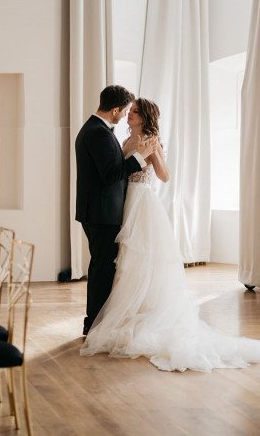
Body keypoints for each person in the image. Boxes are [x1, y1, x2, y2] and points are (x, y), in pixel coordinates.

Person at [80, 98, 260, 372]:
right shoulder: (126, 141)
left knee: (143, 261)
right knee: (124, 264)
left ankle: (146, 317)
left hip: (143, 204)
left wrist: (151, 154)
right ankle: (125, 316)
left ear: (145, 117)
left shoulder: (151, 140)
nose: (130, 114)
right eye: (129, 110)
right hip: (125, 205)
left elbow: (164, 176)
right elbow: (117, 172)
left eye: (135, 111)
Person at [75, 86, 157, 336]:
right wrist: (140, 157)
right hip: (102, 213)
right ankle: (96, 325)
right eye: (124, 111)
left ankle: (96, 322)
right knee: (103, 270)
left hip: (98, 211)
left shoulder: (94, 129)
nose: (124, 116)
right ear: (115, 110)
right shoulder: (99, 133)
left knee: (101, 267)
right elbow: (111, 174)